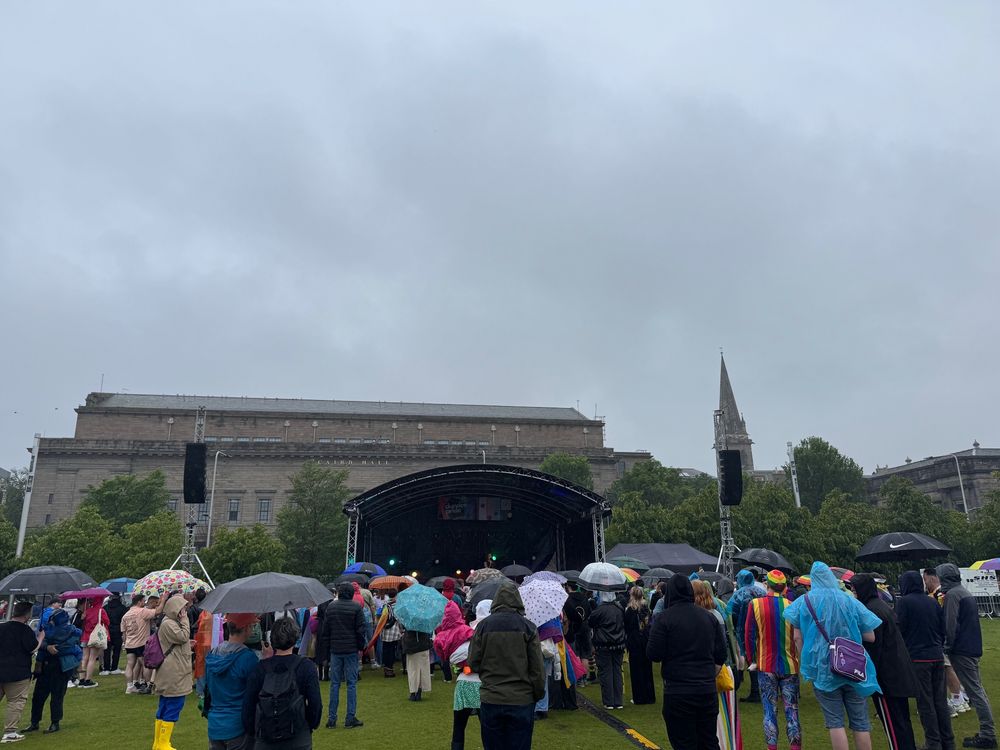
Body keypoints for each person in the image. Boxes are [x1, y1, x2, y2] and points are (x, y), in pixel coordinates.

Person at [783, 561, 881, 750]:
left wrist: (807, 661)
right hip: (853, 665)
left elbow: (796, 638)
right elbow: (871, 635)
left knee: (835, 722)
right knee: (860, 722)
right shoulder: (849, 600)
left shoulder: (804, 601)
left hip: (822, 667)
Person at [647, 575, 727, 750]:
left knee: (683, 742)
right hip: (706, 690)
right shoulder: (709, 618)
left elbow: (653, 653)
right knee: (708, 741)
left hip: (678, 690)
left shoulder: (664, 619)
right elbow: (721, 654)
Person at [468, 580, 545, 750]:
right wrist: (537, 693)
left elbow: (473, 662)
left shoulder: (483, 626)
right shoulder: (528, 627)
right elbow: (537, 668)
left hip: (492, 697)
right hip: (521, 699)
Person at [852, 573, 919, 750]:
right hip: (896, 672)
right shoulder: (879, 605)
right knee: (902, 722)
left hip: (887, 678)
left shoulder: (872, 610)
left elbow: (875, 646)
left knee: (894, 725)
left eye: (854, 589)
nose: (853, 593)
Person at [937, 564, 996, 749]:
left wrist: (947, 645)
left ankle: (988, 735)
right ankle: (987, 732)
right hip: (971, 647)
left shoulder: (953, 595)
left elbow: (951, 624)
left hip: (962, 650)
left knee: (974, 692)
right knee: (977, 690)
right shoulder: (964, 592)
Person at [242, 617, 322, 749]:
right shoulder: (306, 667)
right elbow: (316, 705)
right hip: (296, 737)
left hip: (270, 737)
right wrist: (310, 725)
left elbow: (248, 706)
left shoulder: (259, 668)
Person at [896, 571, 955, 750]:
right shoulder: (931, 602)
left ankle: (933, 742)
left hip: (918, 659)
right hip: (937, 656)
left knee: (926, 703)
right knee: (940, 702)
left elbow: (900, 629)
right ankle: (948, 741)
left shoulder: (903, 603)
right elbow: (942, 627)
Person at [745, 570, 801, 750]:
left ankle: (772, 747)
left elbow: (749, 635)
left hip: (765, 664)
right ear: (784, 586)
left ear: (767, 585)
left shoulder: (755, 604)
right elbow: (798, 636)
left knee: (769, 711)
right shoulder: (792, 605)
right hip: (790, 665)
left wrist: (750, 658)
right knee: (791, 710)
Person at [694, 580, 741, 750]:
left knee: (716, 718)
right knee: (724, 716)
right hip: (724, 667)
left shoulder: (706, 616)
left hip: (714, 671)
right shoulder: (718, 611)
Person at [205, 613, 260, 750]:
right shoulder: (248, 658)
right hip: (238, 725)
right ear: (246, 628)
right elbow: (256, 691)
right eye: (252, 626)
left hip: (215, 724)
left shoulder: (213, 655)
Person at [24, 607, 81, 735]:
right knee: (52, 696)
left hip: (52, 665)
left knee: (45, 696)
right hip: (60, 666)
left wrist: (45, 643)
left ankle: (39, 722)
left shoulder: (49, 631)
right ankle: (50, 722)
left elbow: (40, 644)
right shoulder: (72, 631)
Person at [317, 582, 365, 729]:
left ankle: (332, 719)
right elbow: (360, 630)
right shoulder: (356, 607)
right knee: (351, 684)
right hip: (351, 650)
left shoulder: (331, 608)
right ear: (351, 594)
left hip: (335, 650)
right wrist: (360, 647)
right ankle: (350, 718)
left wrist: (325, 652)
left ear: (338, 593)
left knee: (334, 684)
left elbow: (325, 632)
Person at [923, 569, 970, 717]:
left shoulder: (940, 595)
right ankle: (960, 696)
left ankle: (957, 697)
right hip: (944, 637)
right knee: (949, 668)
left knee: (947, 668)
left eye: (925, 580)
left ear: (931, 579)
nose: (924, 583)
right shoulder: (937, 595)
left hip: (941, 638)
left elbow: (944, 617)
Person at [152, 593, 193, 750]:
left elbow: (180, 640)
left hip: (171, 668)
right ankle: (162, 744)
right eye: (183, 609)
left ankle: (159, 742)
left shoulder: (168, 622)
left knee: (165, 704)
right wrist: (185, 621)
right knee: (173, 704)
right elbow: (182, 636)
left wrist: (188, 643)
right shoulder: (169, 623)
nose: (185, 612)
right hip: (173, 671)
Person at [435, 598, 476, 750]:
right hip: (479, 681)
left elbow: (444, 658)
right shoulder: (468, 630)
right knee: (487, 725)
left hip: (462, 682)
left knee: (458, 726)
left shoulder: (441, 637)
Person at [0, 601, 39, 744]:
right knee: (16, 701)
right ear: (27, 614)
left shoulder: (2, 627)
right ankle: (10, 732)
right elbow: (32, 648)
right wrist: (40, 638)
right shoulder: (25, 630)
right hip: (18, 671)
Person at [727, 570, 765, 703]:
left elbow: (731, 612)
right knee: (763, 658)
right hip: (763, 629)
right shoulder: (761, 592)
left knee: (752, 659)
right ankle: (764, 688)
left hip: (745, 631)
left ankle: (755, 691)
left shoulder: (739, 594)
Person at [589, 590, 626, 710]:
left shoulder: (599, 610)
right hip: (618, 644)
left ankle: (609, 701)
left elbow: (591, 622)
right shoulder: (619, 609)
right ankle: (618, 700)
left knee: (606, 672)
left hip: (603, 644)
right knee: (617, 672)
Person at [624, 586, 655, 705]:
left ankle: (639, 697)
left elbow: (627, 627)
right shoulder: (646, 608)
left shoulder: (630, 610)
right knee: (647, 668)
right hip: (645, 640)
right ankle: (649, 696)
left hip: (635, 641)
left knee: (636, 670)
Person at [78, 597, 110, 688]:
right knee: (92, 658)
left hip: (85, 637)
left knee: (84, 658)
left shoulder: (87, 611)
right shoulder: (101, 611)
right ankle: (88, 680)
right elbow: (107, 622)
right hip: (95, 637)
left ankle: (81, 679)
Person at [101, 594, 127, 676]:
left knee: (107, 650)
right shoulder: (123, 608)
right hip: (118, 630)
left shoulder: (105, 608)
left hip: (107, 630)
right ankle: (114, 667)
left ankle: (106, 668)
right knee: (117, 650)